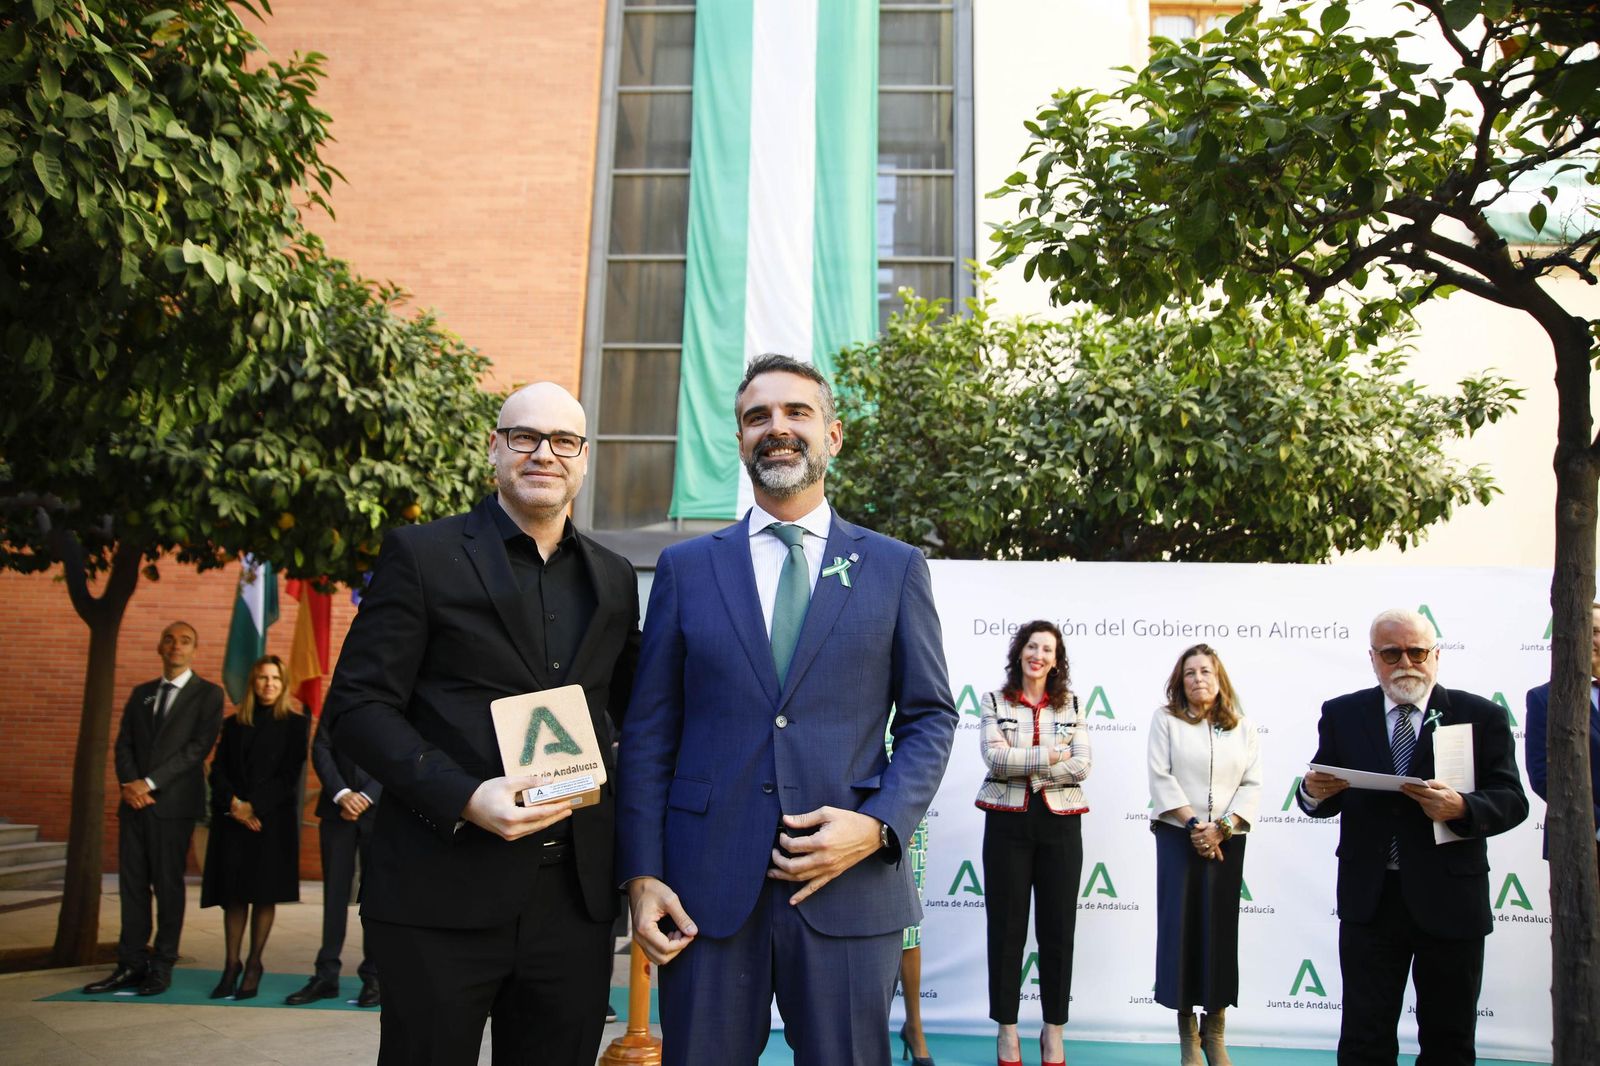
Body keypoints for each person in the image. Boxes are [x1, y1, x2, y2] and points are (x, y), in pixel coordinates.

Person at [617, 353, 957, 1066]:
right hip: (701, 893)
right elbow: (650, 734)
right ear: (739, 441)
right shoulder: (686, 569)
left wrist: (878, 825)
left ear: (832, 436)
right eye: (757, 417)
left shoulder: (895, 567)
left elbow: (931, 717)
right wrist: (643, 874)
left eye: (797, 412)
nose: (778, 428)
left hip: (849, 886)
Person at [321, 382, 640, 1066]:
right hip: (440, 893)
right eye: (524, 437)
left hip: (572, 906)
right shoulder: (422, 555)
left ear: (584, 459)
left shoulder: (614, 580)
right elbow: (355, 706)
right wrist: (463, 795)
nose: (543, 454)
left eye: (563, 441)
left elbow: (636, 719)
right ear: (495, 449)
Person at [1299, 608, 1527, 1065]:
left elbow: (1512, 799)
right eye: (1391, 652)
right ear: (1373, 658)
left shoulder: (1479, 715)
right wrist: (1310, 793)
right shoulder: (1343, 713)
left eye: (1417, 651)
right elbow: (1323, 787)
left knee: (1449, 1039)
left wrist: (1463, 808)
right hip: (1372, 900)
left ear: (1436, 655)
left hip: (1450, 898)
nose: (1406, 661)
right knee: (1365, 1036)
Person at [83, 621, 225, 997]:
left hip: (173, 807)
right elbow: (124, 743)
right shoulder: (143, 694)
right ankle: (130, 963)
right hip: (134, 806)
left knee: (167, 886)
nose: (176, 646)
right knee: (131, 887)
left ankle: (162, 965)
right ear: (159, 647)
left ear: (195, 649)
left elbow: (197, 748)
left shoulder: (208, 694)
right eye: (169, 639)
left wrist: (149, 783)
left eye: (185, 641)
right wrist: (130, 785)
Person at [973, 621, 1091, 1066]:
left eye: (1048, 649)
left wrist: (1029, 764)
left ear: (1056, 661)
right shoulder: (994, 701)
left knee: (1058, 931)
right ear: (1019, 652)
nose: (1038, 654)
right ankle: (1006, 1030)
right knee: (1006, 930)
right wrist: (1050, 755)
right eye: (1032, 646)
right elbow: (994, 758)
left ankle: (1053, 1030)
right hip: (1007, 823)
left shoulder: (1073, 704)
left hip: (1060, 825)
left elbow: (1081, 767)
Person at [1146, 644, 1262, 1066]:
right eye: (1190, 672)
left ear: (1220, 679)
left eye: (1206, 672)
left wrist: (1222, 829)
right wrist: (1196, 826)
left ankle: (1215, 1032)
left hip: (1227, 840)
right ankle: (1187, 1036)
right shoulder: (1166, 720)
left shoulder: (1243, 727)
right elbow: (1160, 774)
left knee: (1218, 931)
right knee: (1182, 931)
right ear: (1180, 681)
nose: (1198, 679)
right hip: (1179, 837)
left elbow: (1252, 784)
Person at [200, 654, 309, 999]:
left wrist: (254, 806)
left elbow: (289, 776)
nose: (268, 685)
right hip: (234, 821)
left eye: (275, 679)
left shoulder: (295, 724)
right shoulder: (234, 724)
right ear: (253, 683)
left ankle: (254, 963)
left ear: (283, 684)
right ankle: (230, 964)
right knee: (233, 896)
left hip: (270, 824)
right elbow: (217, 770)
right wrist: (235, 805)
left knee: (262, 894)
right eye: (262, 678)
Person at [284, 711, 383, 1007]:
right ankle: (326, 975)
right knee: (334, 895)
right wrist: (341, 794)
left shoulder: (398, 694)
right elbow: (321, 747)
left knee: (376, 897)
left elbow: (398, 752)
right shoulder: (340, 696)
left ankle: (374, 977)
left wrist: (366, 796)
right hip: (335, 809)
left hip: (379, 811)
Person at [1524, 601, 1600, 884]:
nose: (1588, 639)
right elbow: (1545, 777)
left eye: (1596, 630)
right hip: (1580, 844)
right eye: (1581, 629)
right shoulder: (1545, 699)